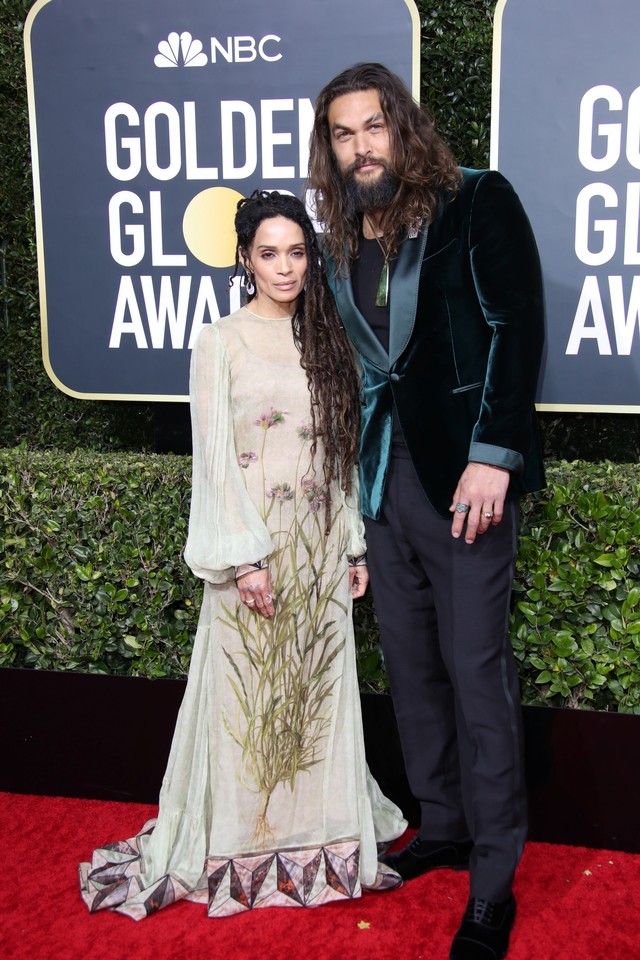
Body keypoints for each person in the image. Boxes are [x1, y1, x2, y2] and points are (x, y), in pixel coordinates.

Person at [79, 190, 406, 920]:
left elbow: (343, 453)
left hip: (319, 549)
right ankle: (242, 841)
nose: (285, 268)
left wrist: (353, 544)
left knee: (314, 691)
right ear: (245, 260)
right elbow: (216, 462)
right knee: (246, 693)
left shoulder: (330, 341)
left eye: (297, 252)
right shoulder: (220, 341)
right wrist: (245, 561)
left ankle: (317, 834)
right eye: (269, 254)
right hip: (253, 553)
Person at [308, 63, 545, 960]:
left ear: (402, 128)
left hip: (466, 482)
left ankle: (493, 878)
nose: (362, 146)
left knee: (476, 671)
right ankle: (442, 823)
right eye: (344, 134)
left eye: (374, 126)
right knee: (410, 670)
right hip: (383, 482)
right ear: (330, 149)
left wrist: (494, 454)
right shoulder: (340, 234)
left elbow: (517, 329)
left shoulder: (476, 199)